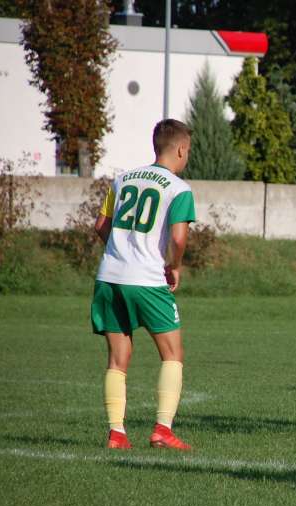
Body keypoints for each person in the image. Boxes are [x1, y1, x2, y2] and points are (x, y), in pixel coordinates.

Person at [92, 119, 196, 450]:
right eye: (188, 151)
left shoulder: (121, 180)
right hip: (148, 279)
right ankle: (162, 430)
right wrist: (174, 266)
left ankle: (117, 434)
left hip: (109, 276)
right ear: (181, 149)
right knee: (172, 353)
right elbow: (178, 238)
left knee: (117, 357)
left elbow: (100, 226)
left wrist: (119, 250)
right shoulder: (179, 189)